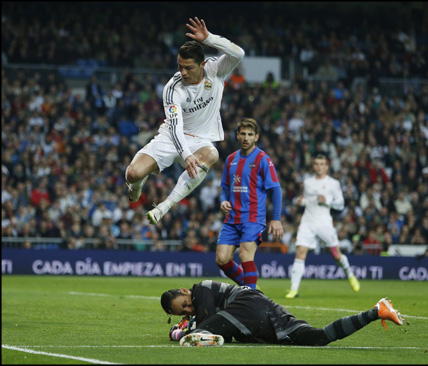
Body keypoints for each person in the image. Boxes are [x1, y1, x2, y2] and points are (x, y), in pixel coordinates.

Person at [125, 17, 245, 225]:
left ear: (202, 64)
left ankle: (164, 207)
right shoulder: (173, 89)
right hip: (172, 137)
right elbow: (175, 126)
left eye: (189, 67)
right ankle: (136, 186)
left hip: (200, 139)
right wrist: (186, 154)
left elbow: (239, 53)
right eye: (180, 66)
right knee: (133, 173)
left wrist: (209, 38)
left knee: (212, 153)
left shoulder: (216, 70)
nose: (183, 72)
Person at [160, 280, 405, 347]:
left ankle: (192, 336)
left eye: (185, 304)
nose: (189, 308)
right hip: (264, 308)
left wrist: (179, 331)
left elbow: (206, 320)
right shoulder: (201, 301)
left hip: (247, 305)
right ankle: (376, 311)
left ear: (184, 291)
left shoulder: (201, 288)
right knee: (318, 338)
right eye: (184, 311)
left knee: (197, 334)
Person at [216, 118, 284, 289]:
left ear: (256, 137)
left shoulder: (263, 159)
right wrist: (223, 200)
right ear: (238, 136)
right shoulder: (231, 159)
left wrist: (276, 219)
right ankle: (251, 289)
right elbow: (224, 186)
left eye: (250, 135)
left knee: (245, 255)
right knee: (222, 259)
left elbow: (276, 189)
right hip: (232, 218)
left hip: (253, 218)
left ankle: (250, 300)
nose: (246, 138)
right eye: (243, 134)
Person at [286, 154, 360, 298]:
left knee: (336, 255)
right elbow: (307, 199)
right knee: (300, 252)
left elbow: (341, 204)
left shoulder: (333, 183)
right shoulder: (307, 182)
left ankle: (350, 274)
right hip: (307, 222)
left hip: (324, 223)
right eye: (317, 163)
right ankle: (293, 289)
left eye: (322, 164)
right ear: (313, 166)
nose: (319, 166)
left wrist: (327, 200)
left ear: (327, 166)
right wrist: (300, 201)